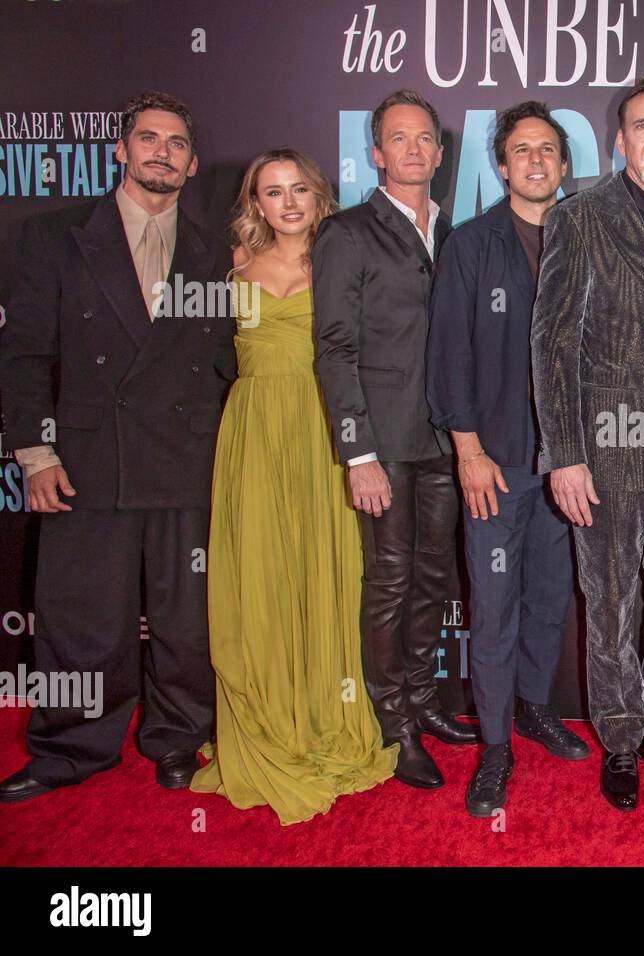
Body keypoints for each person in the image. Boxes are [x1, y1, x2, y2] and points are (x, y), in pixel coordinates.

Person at [0, 92, 234, 802]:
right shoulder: (54, 237)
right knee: (79, 613)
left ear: (192, 164)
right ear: (120, 150)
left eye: (174, 143)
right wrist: (35, 454)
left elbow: (228, 362)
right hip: (86, 460)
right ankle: (71, 746)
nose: (159, 151)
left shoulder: (216, 253)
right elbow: (23, 353)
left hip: (187, 461)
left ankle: (179, 739)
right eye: (146, 138)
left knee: (186, 619)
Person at [189, 149, 397, 824]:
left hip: (322, 433)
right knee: (257, 580)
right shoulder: (231, 268)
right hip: (252, 436)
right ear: (254, 203)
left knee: (323, 572)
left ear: (318, 194)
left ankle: (321, 719)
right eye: (271, 192)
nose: (287, 203)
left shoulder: (340, 261)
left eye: (298, 189)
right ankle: (264, 724)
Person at [531, 76, 644, 812]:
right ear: (619, 138)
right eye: (642, 126)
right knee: (609, 602)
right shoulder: (580, 218)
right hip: (605, 445)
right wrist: (565, 454)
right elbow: (551, 345)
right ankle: (619, 735)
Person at [312, 89, 479, 792]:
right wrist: (358, 454)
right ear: (376, 153)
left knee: (435, 580)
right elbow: (334, 345)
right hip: (382, 445)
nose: (413, 151)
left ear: (440, 155)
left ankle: (425, 700)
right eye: (398, 140)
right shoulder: (347, 233)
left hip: (446, 441)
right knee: (389, 582)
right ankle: (394, 724)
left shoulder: (458, 233)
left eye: (425, 140)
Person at [427, 102, 590, 819]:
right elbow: (448, 357)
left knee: (550, 599)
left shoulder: (586, 240)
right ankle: (495, 744)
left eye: (547, 150)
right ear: (502, 165)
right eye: (521, 150)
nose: (534, 160)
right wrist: (467, 449)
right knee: (492, 610)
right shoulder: (470, 245)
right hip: (494, 463)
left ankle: (531, 707)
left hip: (566, 465)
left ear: (562, 164)